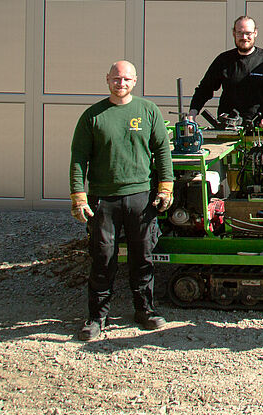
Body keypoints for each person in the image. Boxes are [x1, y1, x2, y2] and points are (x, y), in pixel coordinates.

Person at [68, 60, 174, 341]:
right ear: (107, 80)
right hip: (104, 199)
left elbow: (163, 151)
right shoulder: (93, 116)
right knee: (103, 257)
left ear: (135, 81)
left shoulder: (147, 111)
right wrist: (79, 196)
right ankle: (96, 317)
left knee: (143, 256)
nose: (121, 83)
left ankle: (145, 311)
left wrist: (166, 187)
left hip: (141, 197)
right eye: (116, 78)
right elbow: (79, 159)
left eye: (127, 79)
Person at [189, 15, 263, 129]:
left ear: (255, 33)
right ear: (234, 33)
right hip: (228, 129)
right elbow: (204, 89)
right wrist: (192, 115)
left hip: (260, 129)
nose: (244, 37)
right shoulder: (223, 60)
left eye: (248, 33)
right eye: (240, 33)